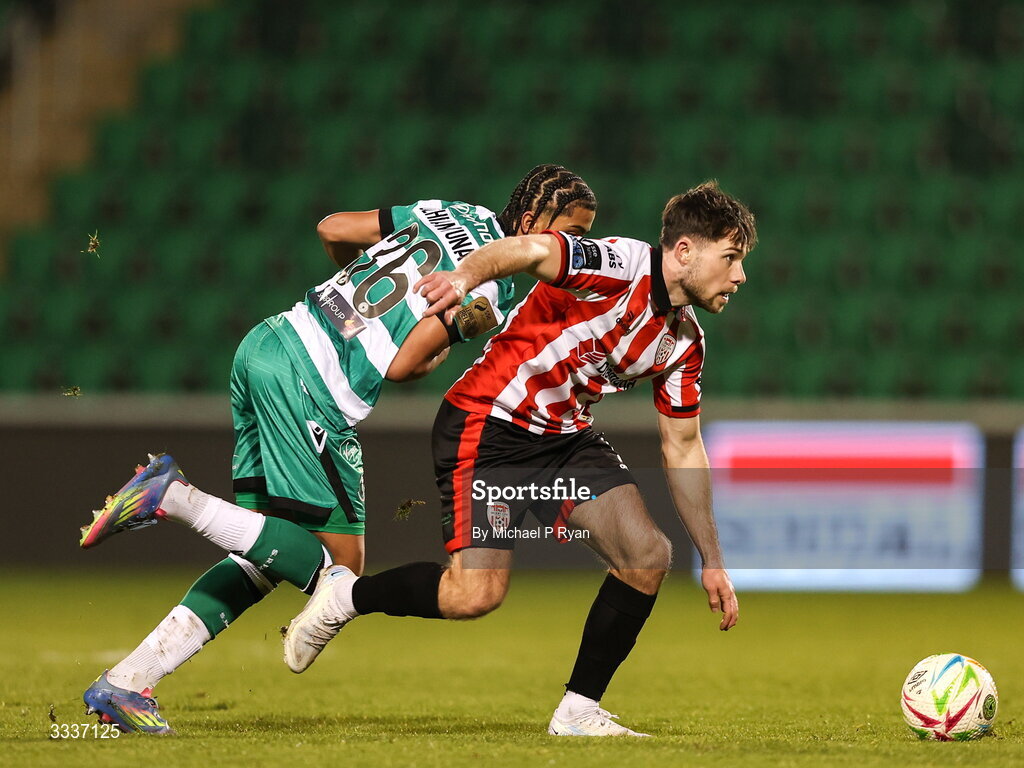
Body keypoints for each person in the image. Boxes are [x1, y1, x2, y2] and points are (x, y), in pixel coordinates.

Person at [77, 165, 598, 734]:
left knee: (262, 551)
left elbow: (331, 228)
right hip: (314, 387)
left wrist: (351, 311)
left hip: (269, 341)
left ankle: (124, 684)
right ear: (529, 223)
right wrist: (441, 349)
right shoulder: (494, 289)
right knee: (341, 573)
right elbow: (402, 365)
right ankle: (172, 496)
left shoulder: (445, 210)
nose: (576, 247)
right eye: (570, 232)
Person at [283, 180, 755, 737]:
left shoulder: (685, 344)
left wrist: (714, 559)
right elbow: (533, 249)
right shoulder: (622, 265)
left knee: (647, 554)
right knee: (474, 595)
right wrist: (464, 277)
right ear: (683, 252)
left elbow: (681, 447)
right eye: (729, 258)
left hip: (563, 439)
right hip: (490, 423)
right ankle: (346, 597)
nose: (740, 275)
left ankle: (577, 712)